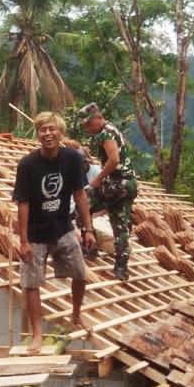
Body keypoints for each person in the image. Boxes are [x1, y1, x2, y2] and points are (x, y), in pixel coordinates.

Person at [13, 111, 94, 352]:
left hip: (63, 228)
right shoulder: (27, 165)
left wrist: (88, 229)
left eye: (51, 129)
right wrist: (24, 240)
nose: (47, 134)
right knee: (31, 283)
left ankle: (76, 315)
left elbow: (80, 195)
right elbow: (23, 204)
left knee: (80, 274)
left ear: (60, 132)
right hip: (36, 233)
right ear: (37, 134)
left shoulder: (72, 159)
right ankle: (37, 334)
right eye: (42, 130)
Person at [79, 103, 139, 280]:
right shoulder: (112, 128)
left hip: (115, 184)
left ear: (98, 118)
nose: (87, 129)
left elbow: (113, 160)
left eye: (88, 124)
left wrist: (97, 181)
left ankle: (89, 249)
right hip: (128, 184)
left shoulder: (105, 133)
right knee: (120, 225)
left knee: (83, 205)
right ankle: (121, 269)